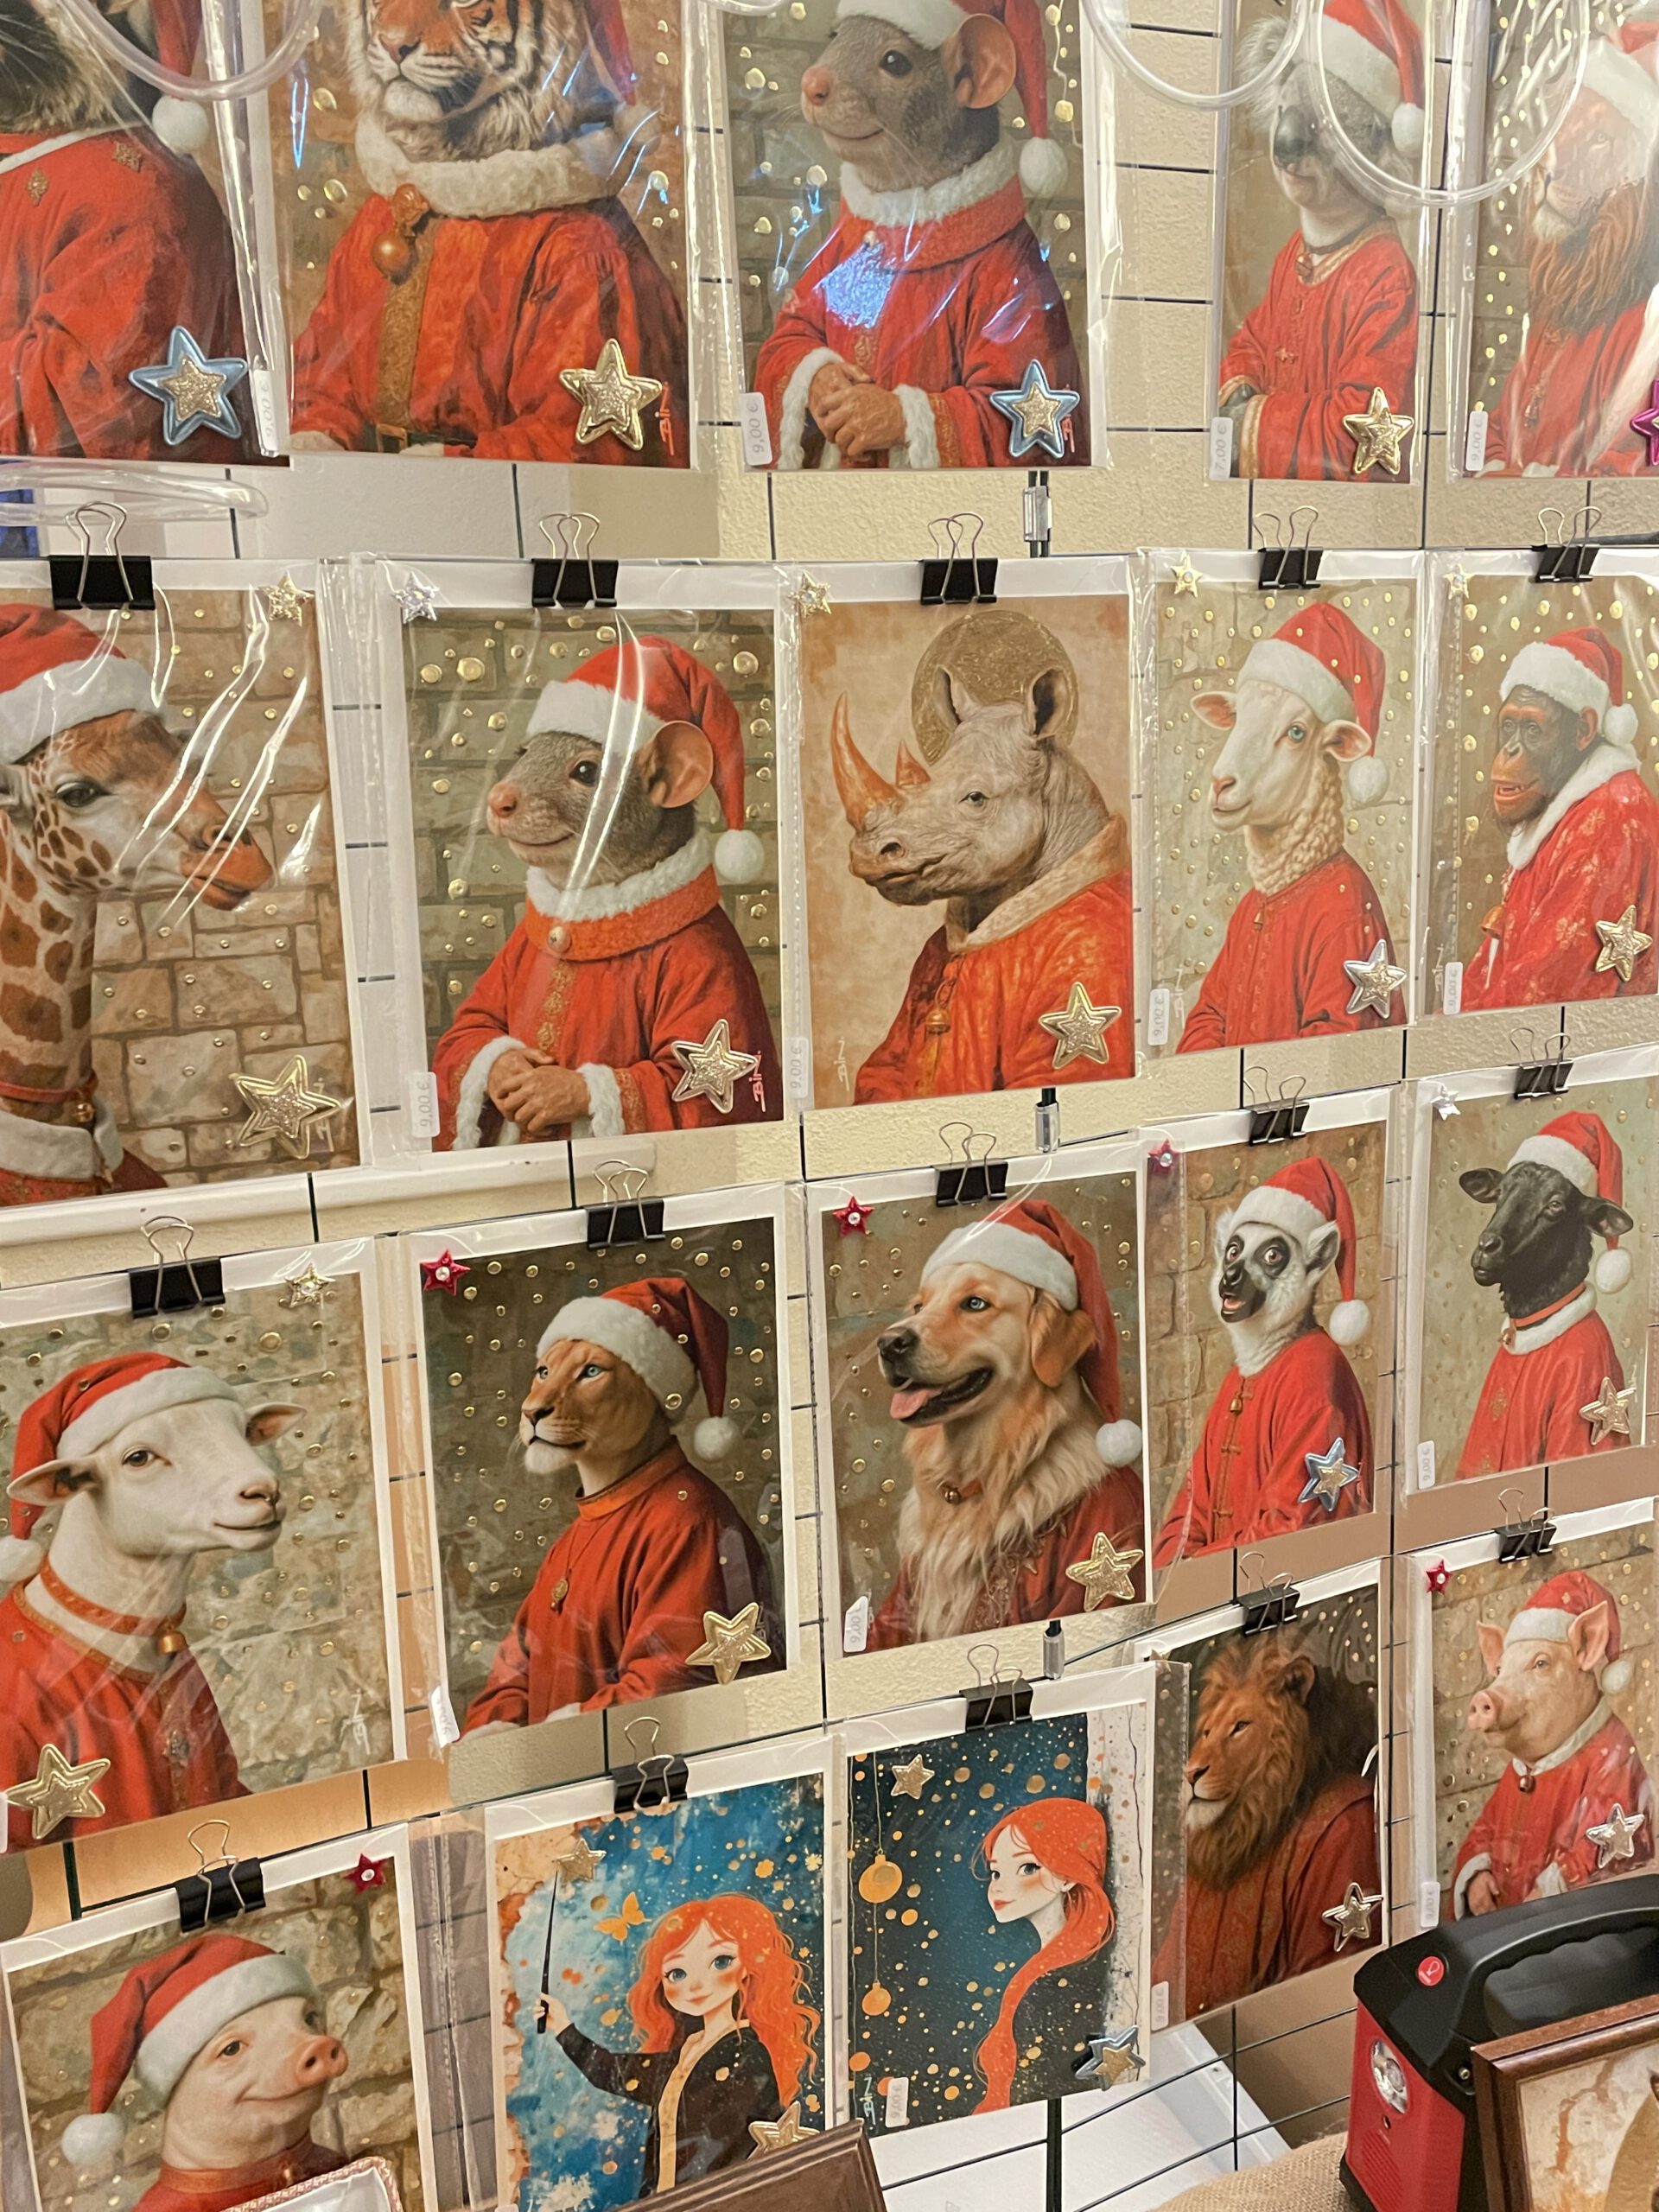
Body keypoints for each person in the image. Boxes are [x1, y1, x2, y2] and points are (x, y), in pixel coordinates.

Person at [541, 1895, 818, 2193]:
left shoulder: (746, 2055)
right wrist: (563, 2027)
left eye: (720, 1961)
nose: (696, 1985)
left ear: (747, 1966)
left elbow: (745, 2150)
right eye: (678, 1973)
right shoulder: (682, 2057)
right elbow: (612, 2071)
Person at [975, 1798, 1115, 2110]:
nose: (999, 1887)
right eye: (996, 1873)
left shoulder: (1058, 1984)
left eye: (1027, 1868)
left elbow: (1039, 2092)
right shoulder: (1045, 1971)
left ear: (1068, 1876)